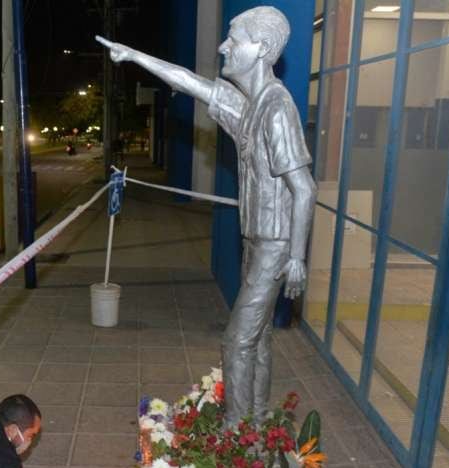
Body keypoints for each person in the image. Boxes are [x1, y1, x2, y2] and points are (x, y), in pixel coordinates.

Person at [97, 6, 317, 427]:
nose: (223, 46)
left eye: (234, 39)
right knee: (258, 337)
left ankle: (236, 433)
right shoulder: (248, 105)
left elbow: (304, 188)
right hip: (256, 239)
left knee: (236, 341)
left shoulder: (276, 108)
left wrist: (296, 257)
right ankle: (254, 421)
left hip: (275, 243)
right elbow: (193, 83)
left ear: (262, 49)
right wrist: (136, 56)